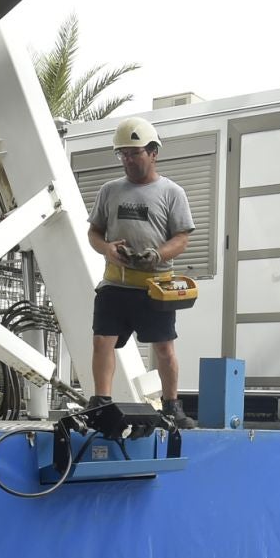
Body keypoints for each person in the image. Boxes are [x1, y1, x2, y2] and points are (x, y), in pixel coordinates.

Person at [86, 117, 195, 426]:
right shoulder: (109, 191)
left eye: (134, 153)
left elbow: (182, 239)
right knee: (102, 341)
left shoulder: (172, 193)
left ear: (153, 152)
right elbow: (94, 233)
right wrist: (107, 249)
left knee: (163, 347)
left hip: (156, 287)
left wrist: (157, 254)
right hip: (115, 284)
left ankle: (171, 405)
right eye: (123, 154)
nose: (128, 160)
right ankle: (101, 402)